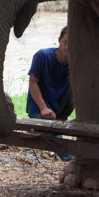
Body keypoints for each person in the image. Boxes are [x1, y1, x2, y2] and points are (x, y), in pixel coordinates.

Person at [26, 26, 74, 161]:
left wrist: (63, 115)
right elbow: (33, 83)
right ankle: (70, 159)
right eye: (65, 42)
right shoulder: (42, 56)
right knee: (53, 131)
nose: (68, 47)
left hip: (57, 110)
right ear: (59, 40)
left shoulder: (74, 63)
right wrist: (43, 108)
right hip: (37, 106)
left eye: (72, 43)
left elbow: (71, 91)